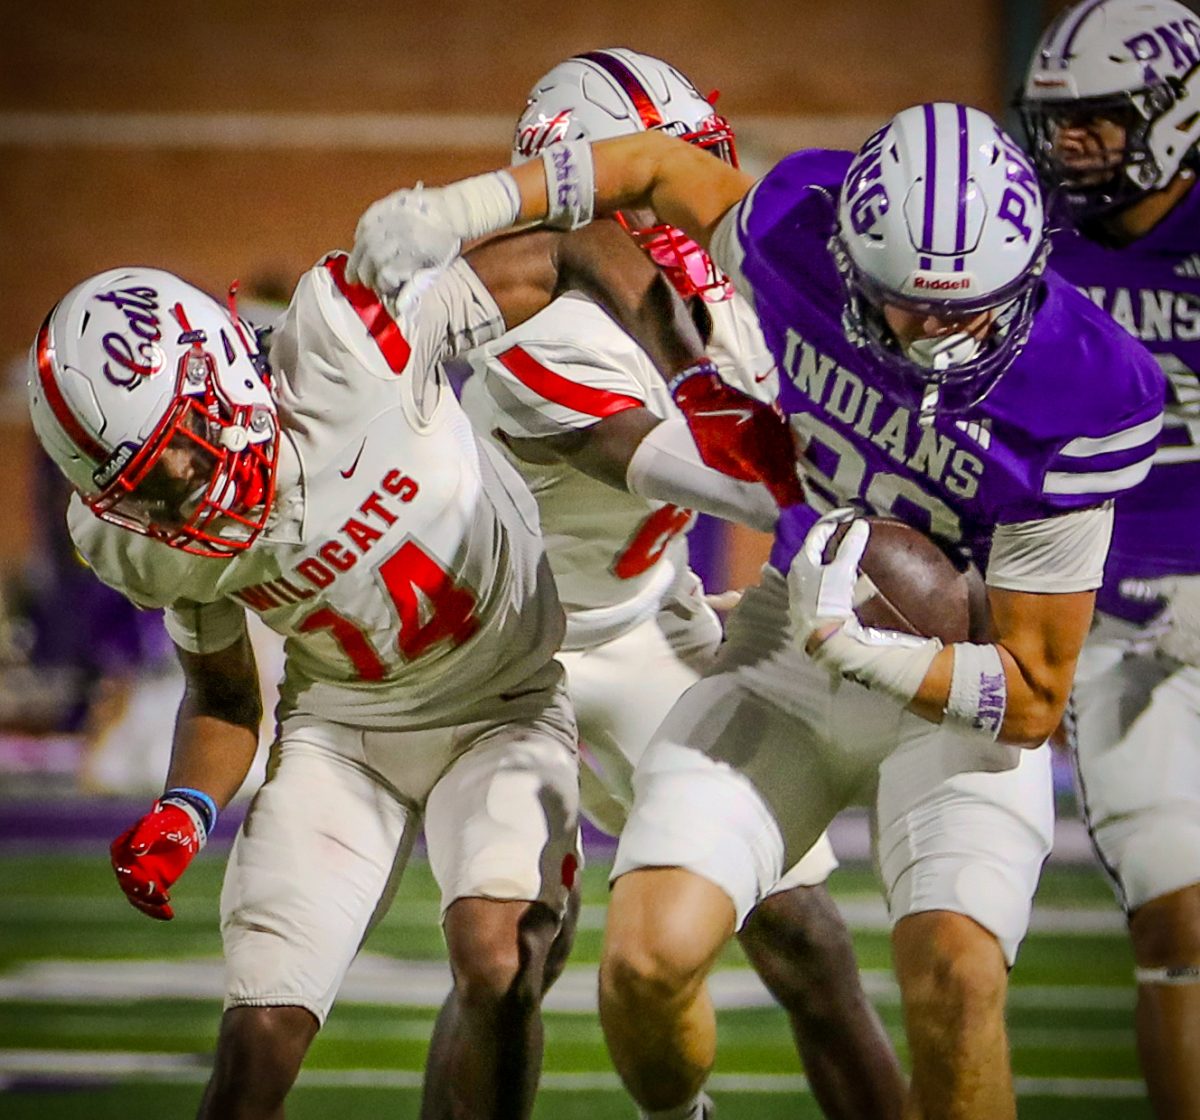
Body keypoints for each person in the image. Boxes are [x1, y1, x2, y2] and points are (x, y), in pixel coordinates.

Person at [348, 98, 1166, 1119]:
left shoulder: (1087, 388)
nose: (932, 332)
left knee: (956, 981)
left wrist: (861, 644)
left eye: (965, 309)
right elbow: (646, 168)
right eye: (903, 300)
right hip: (791, 648)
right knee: (643, 960)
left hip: (958, 686)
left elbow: (1036, 696)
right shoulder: (796, 231)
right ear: (852, 251)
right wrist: (465, 207)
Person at [27, 211, 741, 1119]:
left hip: (505, 703)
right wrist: (184, 806)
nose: (183, 494)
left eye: (181, 448)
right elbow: (223, 695)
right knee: (254, 1053)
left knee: (498, 959)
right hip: (343, 737)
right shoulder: (148, 544)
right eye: (146, 491)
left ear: (218, 368)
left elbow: (570, 246)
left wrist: (692, 369)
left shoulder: (347, 341)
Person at [458, 48, 904, 1120]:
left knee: (804, 932)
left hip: (649, 626)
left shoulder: (721, 307)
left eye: (695, 162)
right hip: (513, 664)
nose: (686, 195)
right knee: (511, 959)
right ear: (579, 193)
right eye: (654, 173)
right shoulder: (533, 327)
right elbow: (690, 464)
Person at [1019, 2, 1200, 1114]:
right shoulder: (1024, 231)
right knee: (1174, 917)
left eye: (1098, 120)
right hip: (1119, 623)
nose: (1070, 144)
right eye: (1059, 121)